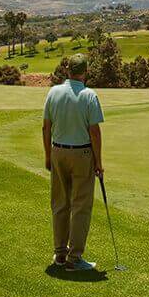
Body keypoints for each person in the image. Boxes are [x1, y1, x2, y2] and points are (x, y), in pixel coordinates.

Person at [42, 53, 104, 271]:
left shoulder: (53, 92)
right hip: (82, 155)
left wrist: (48, 156)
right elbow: (94, 132)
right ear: (85, 72)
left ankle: (60, 254)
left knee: (60, 204)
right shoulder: (89, 95)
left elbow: (46, 127)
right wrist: (98, 162)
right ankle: (74, 258)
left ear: (67, 71)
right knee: (80, 205)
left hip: (57, 151)